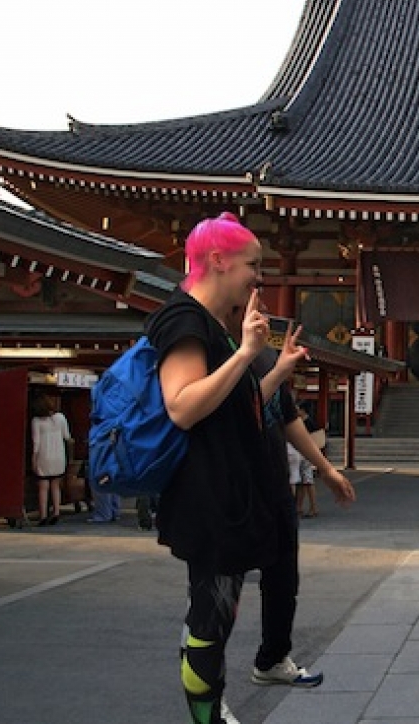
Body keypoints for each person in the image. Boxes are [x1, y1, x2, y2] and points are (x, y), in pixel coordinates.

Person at [149, 212, 317, 724]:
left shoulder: (216, 328)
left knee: (219, 613)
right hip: (206, 499)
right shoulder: (184, 321)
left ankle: (211, 706)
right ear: (218, 261)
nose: (258, 277)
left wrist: (271, 368)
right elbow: (182, 406)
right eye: (252, 265)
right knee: (210, 614)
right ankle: (207, 714)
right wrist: (245, 353)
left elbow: (237, 408)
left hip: (229, 495)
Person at [246, 343, 356, 693]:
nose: (259, 316)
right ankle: (207, 697)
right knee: (219, 594)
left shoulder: (265, 356)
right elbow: (235, 414)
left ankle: (273, 658)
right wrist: (277, 370)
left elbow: (288, 418)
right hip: (232, 487)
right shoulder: (215, 349)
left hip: (275, 485)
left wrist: (326, 469)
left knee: (283, 580)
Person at [30, 395, 70, 526]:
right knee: (55, 485)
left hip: (44, 455)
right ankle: (56, 512)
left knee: (43, 487)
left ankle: (43, 515)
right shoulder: (60, 418)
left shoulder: (36, 421)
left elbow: (36, 443)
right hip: (59, 455)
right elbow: (67, 436)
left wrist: (33, 459)